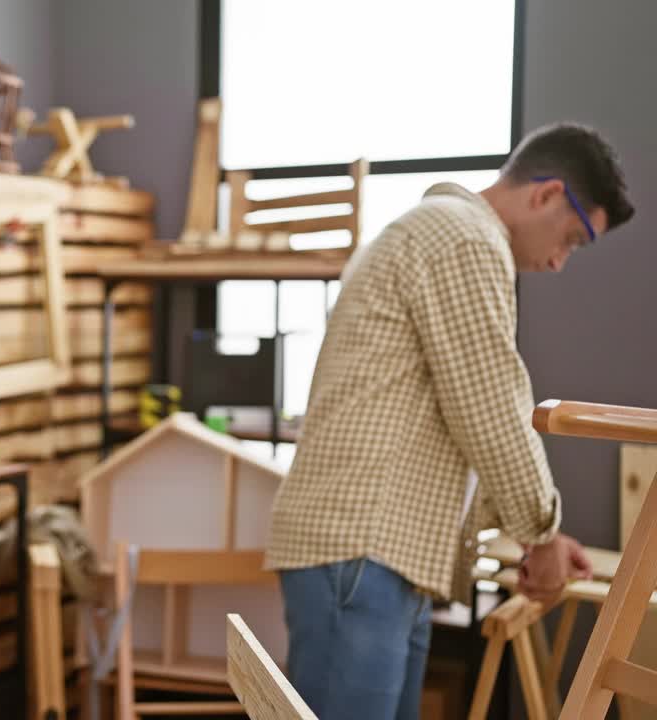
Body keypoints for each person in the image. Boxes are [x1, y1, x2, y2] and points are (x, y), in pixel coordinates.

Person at [265, 122, 635, 720]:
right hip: (363, 549)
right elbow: (491, 403)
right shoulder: (462, 238)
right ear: (545, 195)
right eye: (573, 237)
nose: (562, 262)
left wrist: (536, 532)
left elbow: (452, 420)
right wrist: (539, 531)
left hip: (380, 555)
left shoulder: (438, 233)